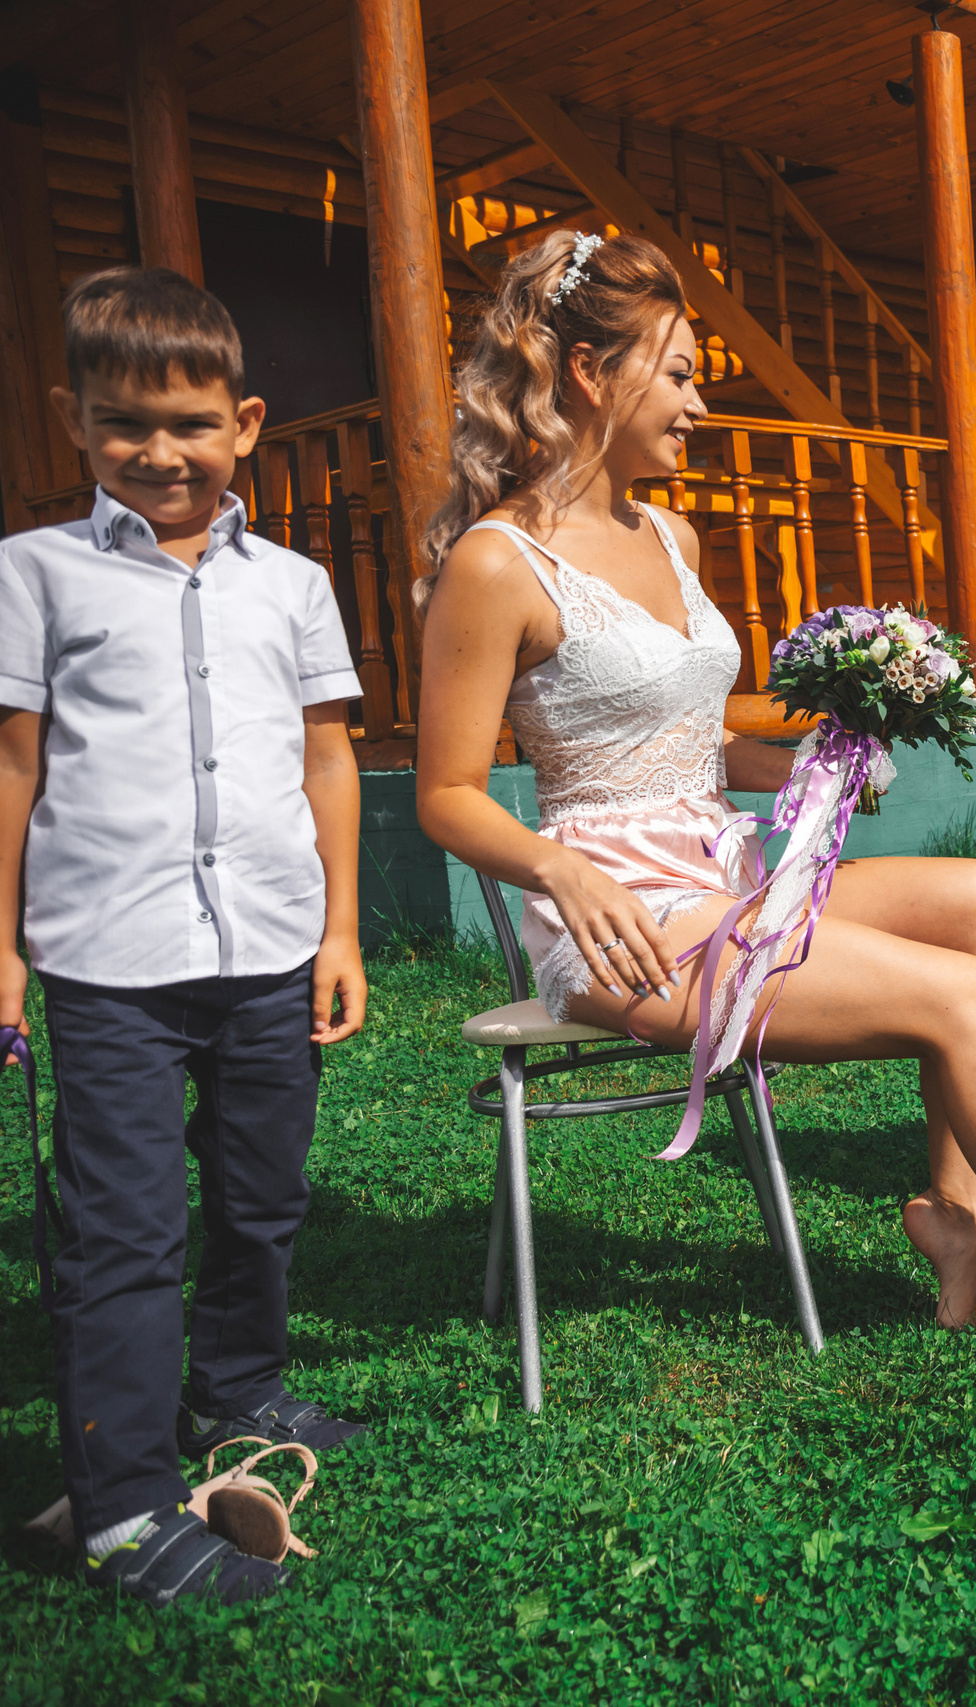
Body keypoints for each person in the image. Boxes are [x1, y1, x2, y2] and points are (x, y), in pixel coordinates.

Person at [411, 232, 976, 1360]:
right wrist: (557, 869)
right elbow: (446, 795)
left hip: (726, 873)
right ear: (594, 376)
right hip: (624, 923)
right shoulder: (499, 564)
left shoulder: (671, 532)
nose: (699, 402)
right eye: (683, 373)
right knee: (958, 999)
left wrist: (829, 765)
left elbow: (689, 745)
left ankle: (957, 1215)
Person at [0, 268, 370, 1607]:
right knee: (126, 1228)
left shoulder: (297, 585)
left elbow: (330, 757)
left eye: (190, 422)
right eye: (121, 423)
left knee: (262, 1194)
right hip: (108, 963)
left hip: (270, 946)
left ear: (247, 421)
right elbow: (13, 765)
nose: (158, 449)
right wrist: (4, 950)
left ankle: (237, 1388)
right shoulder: (32, 575)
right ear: (74, 420)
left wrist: (340, 927)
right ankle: (118, 1510)